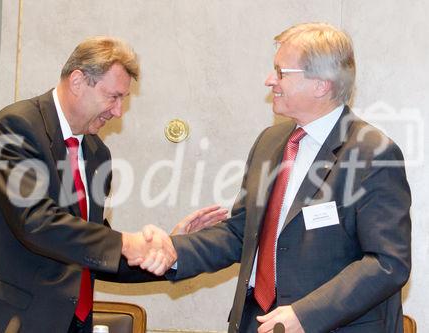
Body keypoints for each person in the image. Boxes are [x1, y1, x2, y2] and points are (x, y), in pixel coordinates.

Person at [0, 37, 226, 333]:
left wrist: (164, 251)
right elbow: (35, 221)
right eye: (113, 97)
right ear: (77, 81)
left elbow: (91, 247)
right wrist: (126, 242)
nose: (118, 112)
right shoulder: (16, 127)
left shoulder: (97, 155)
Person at [154, 23, 411, 332]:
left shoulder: (373, 152)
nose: (269, 80)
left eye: (281, 72)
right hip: (255, 321)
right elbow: (242, 234)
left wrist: (306, 315)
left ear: (321, 84)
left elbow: (387, 263)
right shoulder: (270, 142)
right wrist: (175, 251)